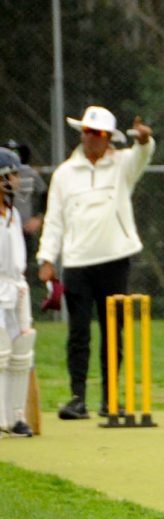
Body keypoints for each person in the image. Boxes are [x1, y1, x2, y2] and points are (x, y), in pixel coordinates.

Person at [37, 106, 155, 420]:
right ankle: (77, 398)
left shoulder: (122, 165)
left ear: (109, 138)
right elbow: (55, 220)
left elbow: (141, 155)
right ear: (82, 134)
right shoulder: (64, 174)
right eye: (88, 132)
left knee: (112, 332)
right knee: (78, 334)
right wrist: (47, 258)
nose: (92, 139)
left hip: (114, 260)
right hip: (77, 263)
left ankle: (109, 399)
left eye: (99, 134)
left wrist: (144, 140)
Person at [0, 147, 37, 437]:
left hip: (16, 287)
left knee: (22, 352)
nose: (15, 180)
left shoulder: (11, 213)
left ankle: (15, 418)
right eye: (11, 174)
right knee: (0, 352)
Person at [3, 140, 47, 284]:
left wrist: (38, 218)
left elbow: (45, 195)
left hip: (23, 229)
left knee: (22, 266)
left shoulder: (30, 173)